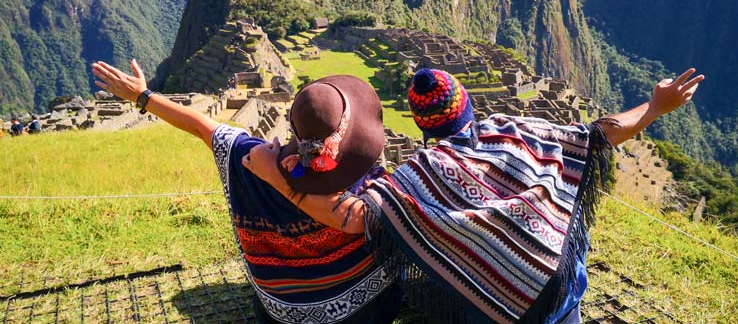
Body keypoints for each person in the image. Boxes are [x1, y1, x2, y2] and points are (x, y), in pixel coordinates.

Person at [247, 67, 703, 324]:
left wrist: (276, 176)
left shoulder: (421, 173)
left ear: (423, 126)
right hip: (558, 293)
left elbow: (349, 217)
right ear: (467, 105)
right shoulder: (520, 132)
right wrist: (656, 105)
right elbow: (600, 134)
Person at [91, 60, 403, 324]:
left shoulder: (249, 159)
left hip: (283, 314)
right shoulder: (367, 183)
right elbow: (357, 219)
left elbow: (201, 126)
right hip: (366, 312)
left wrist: (142, 96)